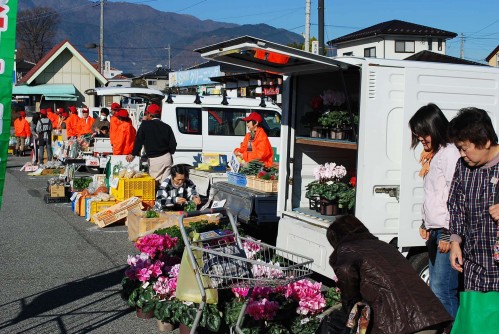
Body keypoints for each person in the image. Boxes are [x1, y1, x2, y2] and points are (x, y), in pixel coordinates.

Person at [326, 215, 452, 334]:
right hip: (431, 314)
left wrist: (350, 303)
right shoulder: (383, 245)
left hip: (401, 324)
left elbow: (346, 270)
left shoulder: (347, 248)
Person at [447, 107, 499, 329]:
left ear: (485, 141)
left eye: (465, 148)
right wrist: (455, 241)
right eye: (459, 149)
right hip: (474, 265)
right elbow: (456, 205)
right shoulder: (463, 167)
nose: (462, 154)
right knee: (473, 324)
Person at [408, 103, 461, 320]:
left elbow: (455, 194)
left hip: (445, 232)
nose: (420, 138)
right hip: (435, 229)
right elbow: (433, 194)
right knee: (436, 289)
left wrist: (449, 232)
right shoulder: (435, 154)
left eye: (423, 133)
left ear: (435, 127)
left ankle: (452, 328)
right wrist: (425, 222)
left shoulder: (449, 153)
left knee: (443, 290)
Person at [126, 104, 177, 184]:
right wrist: (169, 152)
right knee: (165, 184)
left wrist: (133, 154)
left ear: (149, 114)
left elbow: (138, 141)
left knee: (154, 185)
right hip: (167, 157)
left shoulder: (145, 125)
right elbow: (173, 144)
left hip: (155, 159)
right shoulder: (167, 127)